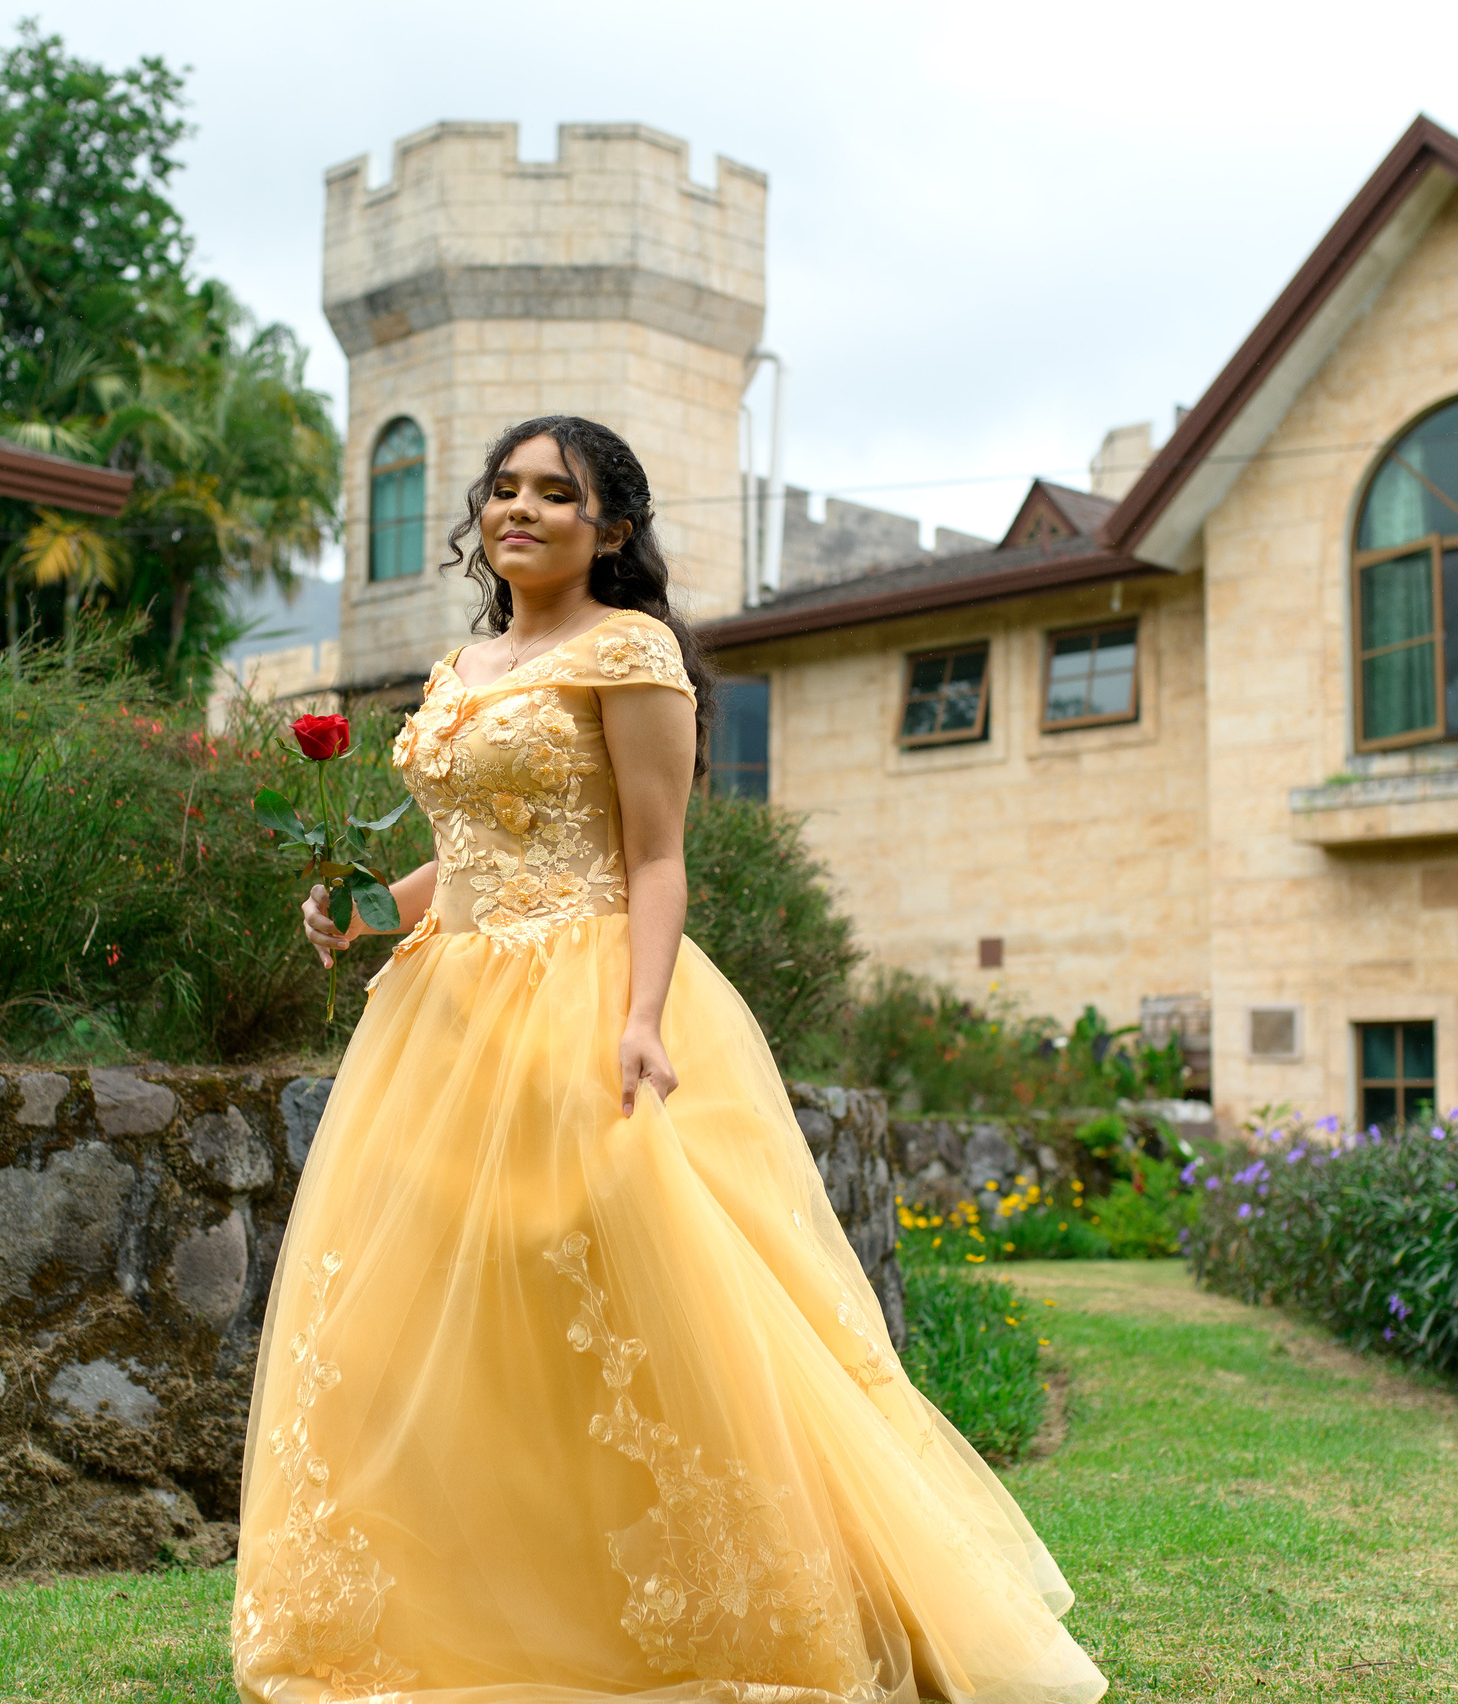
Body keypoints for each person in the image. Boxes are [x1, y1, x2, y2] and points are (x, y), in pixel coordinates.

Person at [232, 416, 1107, 1703]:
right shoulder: (463, 665)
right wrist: (366, 909)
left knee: (635, 1289)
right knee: (437, 1315)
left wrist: (638, 1017)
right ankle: (478, 1611)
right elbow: (468, 857)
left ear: (613, 529)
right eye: (504, 490)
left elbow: (651, 856)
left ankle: (733, 1610)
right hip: (439, 1022)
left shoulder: (630, 651)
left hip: (586, 996)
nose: (517, 510)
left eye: (554, 494)